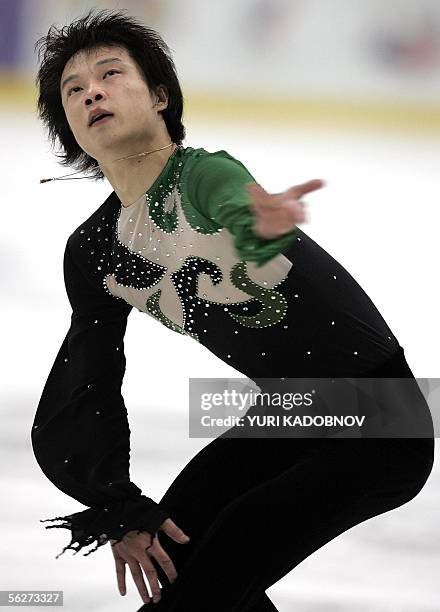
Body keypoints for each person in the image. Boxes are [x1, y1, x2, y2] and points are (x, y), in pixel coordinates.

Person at [31, 9, 434, 612]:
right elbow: (87, 377)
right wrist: (116, 499)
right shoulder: (94, 251)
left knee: (202, 590)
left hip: (381, 420)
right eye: (74, 89)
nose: (93, 90)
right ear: (66, 123)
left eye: (111, 74)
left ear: (160, 95)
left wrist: (257, 227)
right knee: (177, 569)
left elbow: (236, 208)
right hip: (292, 417)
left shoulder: (203, 175)